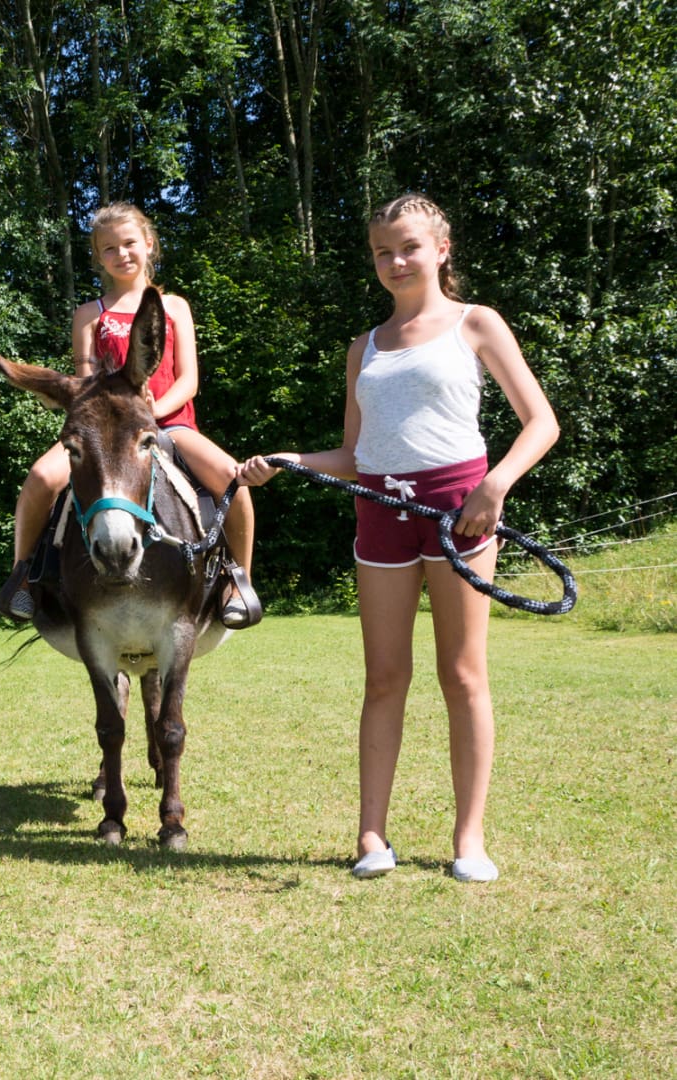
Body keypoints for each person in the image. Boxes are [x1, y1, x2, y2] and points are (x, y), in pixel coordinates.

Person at [238, 193, 559, 884]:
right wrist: (290, 459)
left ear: (441, 248)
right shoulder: (365, 347)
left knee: (463, 675)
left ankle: (469, 840)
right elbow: (355, 455)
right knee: (384, 678)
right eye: (382, 251)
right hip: (381, 513)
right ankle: (371, 835)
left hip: (461, 512)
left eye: (409, 246)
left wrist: (495, 486)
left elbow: (542, 422)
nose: (396, 261)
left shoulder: (476, 323)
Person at [0, 202, 259, 628]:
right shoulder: (89, 314)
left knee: (234, 481)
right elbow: (85, 385)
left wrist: (154, 412)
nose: (121, 254)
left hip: (172, 423)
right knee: (41, 477)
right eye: (109, 248)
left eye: (129, 243)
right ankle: (23, 575)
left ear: (149, 244)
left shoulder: (175, 306)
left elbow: (189, 380)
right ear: (98, 257)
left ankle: (237, 580)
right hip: (105, 431)